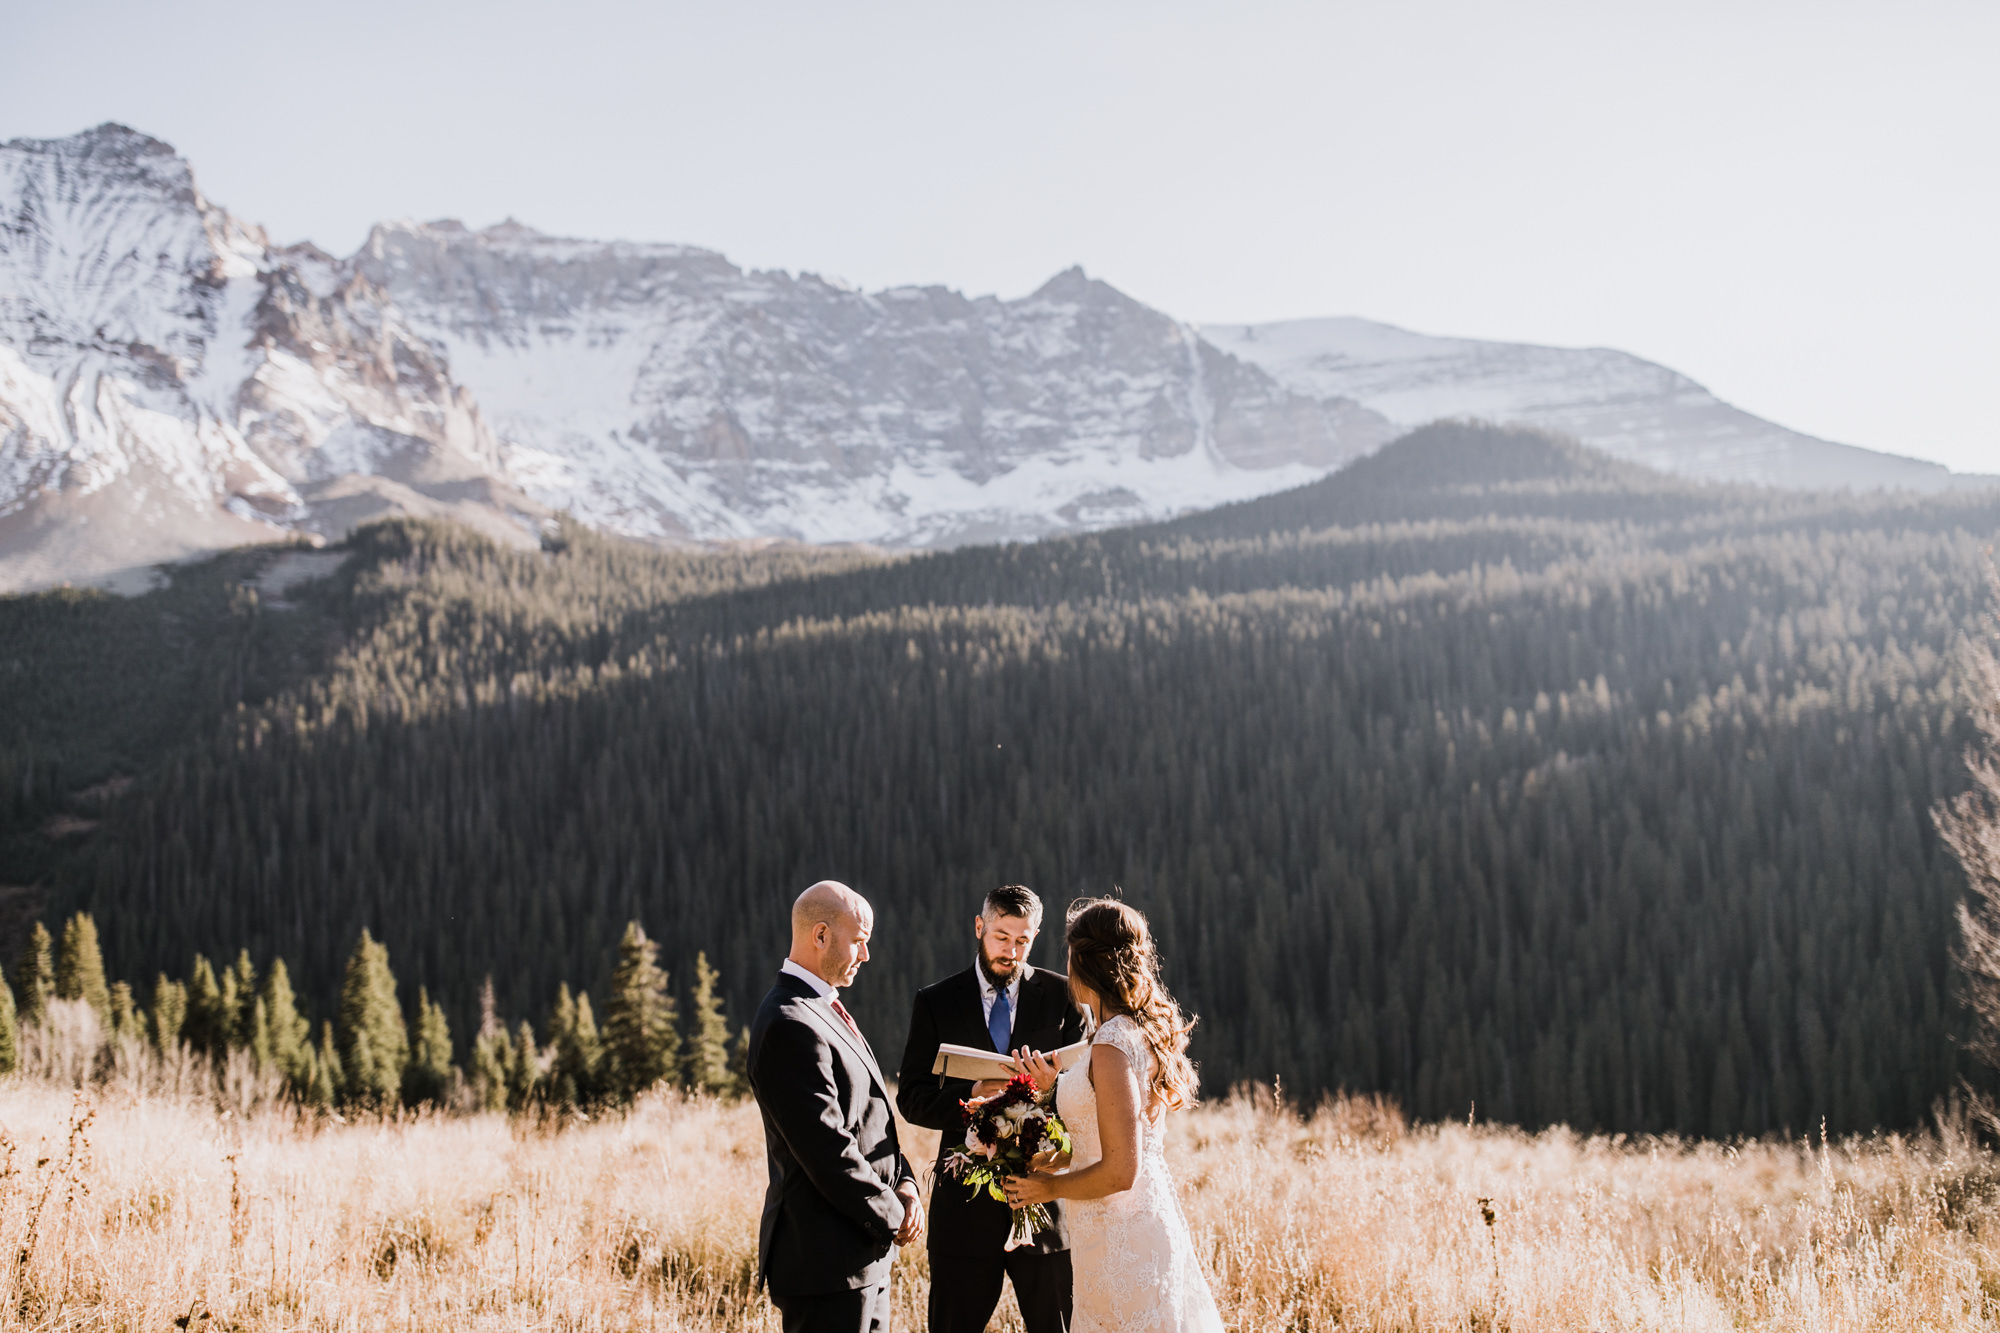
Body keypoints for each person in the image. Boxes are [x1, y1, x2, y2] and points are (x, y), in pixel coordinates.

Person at [1004, 898, 1223, 1333]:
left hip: (1123, 1238)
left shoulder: (1110, 1043)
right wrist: (1053, 1090)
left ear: (1082, 962)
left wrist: (1048, 1188)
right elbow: (1100, 1130)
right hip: (1119, 1230)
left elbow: (1121, 1170)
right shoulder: (1125, 1032)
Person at [896, 884, 1088, 1333]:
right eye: (1002, 936)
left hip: (1043, 1205)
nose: (1011, 950)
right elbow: (912, 1097)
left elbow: (1084, 1089)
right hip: (963, 1209)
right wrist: (973, 1095)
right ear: (980, 928)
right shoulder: (936, 1001)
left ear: (1035, 936)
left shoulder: (1064, 997)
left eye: (1023, 940)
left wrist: (1047, 1089)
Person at [748, 880, 926, 1333]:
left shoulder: (821, 1007)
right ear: (821, 935)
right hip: (826, 1266)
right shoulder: (789, 1021)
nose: (866, 956)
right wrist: (893, 1214)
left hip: (860, 1257)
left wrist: (906, 1185)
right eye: (859, 941)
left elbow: (870, 1122)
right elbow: (827, 1150)